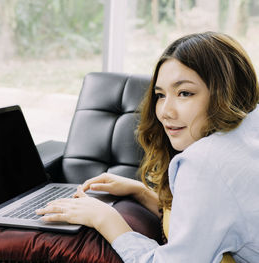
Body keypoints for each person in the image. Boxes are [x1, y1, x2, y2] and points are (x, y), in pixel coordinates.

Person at [36, 31, 259, 262]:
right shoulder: (250, 126)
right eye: (160, 95)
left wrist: (105, 219)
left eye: (184, 93)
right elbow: (215, 213)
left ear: (226, 93)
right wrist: (142, 192)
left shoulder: (204, 162)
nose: (165, 111)